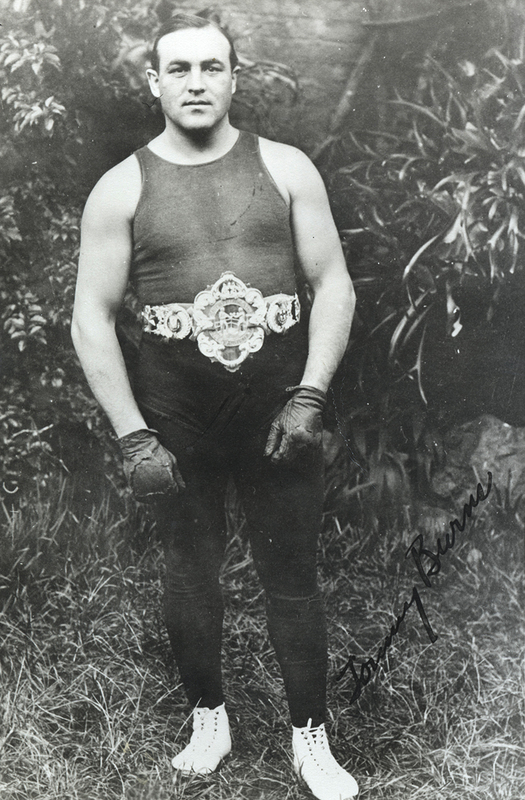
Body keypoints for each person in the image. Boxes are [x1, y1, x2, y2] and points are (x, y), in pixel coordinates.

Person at [71, 13, 358, 800]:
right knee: (189, 575)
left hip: (277, 418)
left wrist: (308, 397)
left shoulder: (288, 168)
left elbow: (331, 283)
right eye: (180, 70)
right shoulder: (122, 186)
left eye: (211, 67)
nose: (196, 82)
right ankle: (209, 716)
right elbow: (90, 316)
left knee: (292, 577)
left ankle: (311, 740)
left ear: (234, 78)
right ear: (154, 83)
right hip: (178, 421)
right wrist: (134, 439)